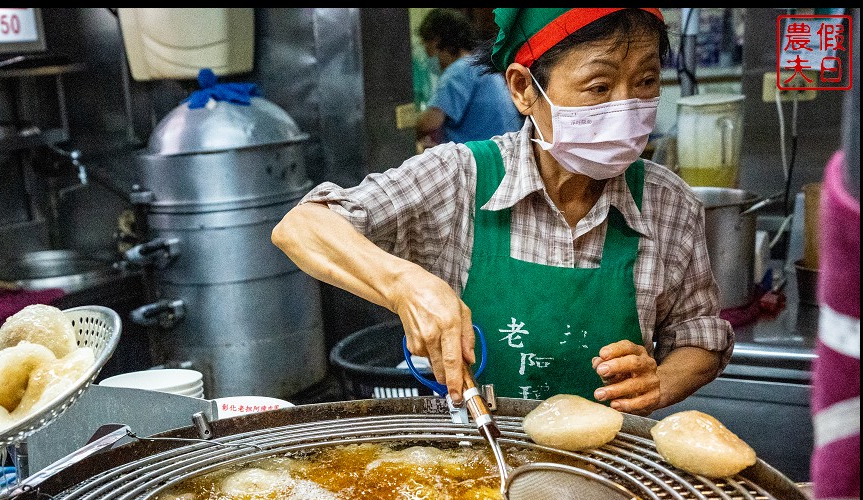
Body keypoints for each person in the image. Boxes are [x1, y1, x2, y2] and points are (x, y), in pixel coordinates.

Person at [272, 8, 734, 413]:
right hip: (471, 474)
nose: (627, 107)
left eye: (646, 81)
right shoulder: (460, 178)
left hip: (607, 475)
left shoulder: (668, 203)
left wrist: (661, 382)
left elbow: (700, 337)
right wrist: (403, 284)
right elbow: (302, 226)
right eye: (599, 85)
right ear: (523, 89)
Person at [415, 8, 524, 147]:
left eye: (425, 44)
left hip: (482, 159)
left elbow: (428, 122)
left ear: (436, 41)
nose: (425, 51)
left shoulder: (458, 71)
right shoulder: (479, 64)